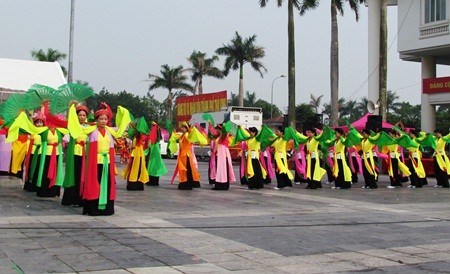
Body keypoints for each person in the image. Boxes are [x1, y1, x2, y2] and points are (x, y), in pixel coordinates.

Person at [68, 102, 131, 216]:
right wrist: (72, 109)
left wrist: (122, 112)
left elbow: (121, 127)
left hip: (107, 161)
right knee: (95, 183)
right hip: (95, 161)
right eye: (101, 119)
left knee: (106, 183)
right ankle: (94, 208)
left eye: (105, 119)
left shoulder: (110, 131)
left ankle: (106, 208)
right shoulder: (91, 131)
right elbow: (77, 126)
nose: (103, 121)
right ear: (96, 120)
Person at [61, 105, 90, 206]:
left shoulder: (89, 128)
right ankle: (71, 199)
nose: (82, 117)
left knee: (83, 176)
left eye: (84, 115)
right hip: (75, 153)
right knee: (74, 175)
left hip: (85, 153)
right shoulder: (73, 126)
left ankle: (81, 198)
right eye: (80, 115)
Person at [170, 122, 207, 190]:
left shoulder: (187, 135)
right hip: (184, 154)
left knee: (186, 169)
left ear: (186, 129)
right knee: (185, 169)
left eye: (184, 127)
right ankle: (185, 183)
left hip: (186, 154)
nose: (182, 128)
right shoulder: (183, 135)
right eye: (182, 127)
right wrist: (174, 133)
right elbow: (177, 137)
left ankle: (186, 184)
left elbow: (188, 142)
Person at [123, 118, 150, 191]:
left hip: (136, 152)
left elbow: (134, 145)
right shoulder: (139, 135)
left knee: (134, 167)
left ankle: (132, 183)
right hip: (139, 152)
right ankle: (138, 184)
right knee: (139, 168)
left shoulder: (136, 135)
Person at [208, 123, 236, 190]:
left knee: (222, 169)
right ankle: (219, 184)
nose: (216, 130)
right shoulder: (219, 136)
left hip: (223, 155)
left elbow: (224, 132)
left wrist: (224, 127)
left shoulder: (224, 135)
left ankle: (222, 185)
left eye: (217, 129)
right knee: (219, 169)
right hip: (219, 154)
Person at [22, 114, 45, 192]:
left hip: (40, 152)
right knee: (31, 168)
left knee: (38, 168)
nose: (39, 124)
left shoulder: (44, 131)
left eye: (41, 122)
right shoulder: (32, 130)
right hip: (33, 151)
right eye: (37, 122)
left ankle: (36, 185)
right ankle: (29, 185)